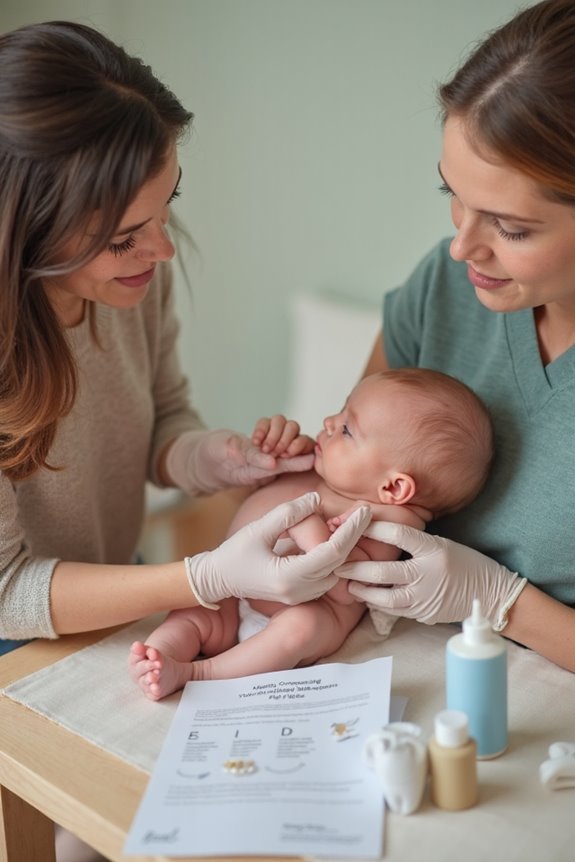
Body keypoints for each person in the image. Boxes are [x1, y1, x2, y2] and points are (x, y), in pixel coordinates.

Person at [0, 20, 372, 656]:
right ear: (25, 233)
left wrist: (217, 459)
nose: (163, 250)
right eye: (123, 238)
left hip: (115, 588)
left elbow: (162, 416)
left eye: (168, 205)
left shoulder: (129, 285)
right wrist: (206, 577)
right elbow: (8, 593)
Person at [338, 0, 575, 674]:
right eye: (452, 196)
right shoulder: (442, 293)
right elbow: (351, 471)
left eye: (510, 227)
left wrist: (502, 602)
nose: (461, 249)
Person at [129, 368, 493, 699]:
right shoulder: (323, 471)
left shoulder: (392, 523)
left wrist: (306, 525)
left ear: (394, 488)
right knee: (196, 605)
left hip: (298, 615)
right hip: (235, 593)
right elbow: (254, 493)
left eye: (348, 430)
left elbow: (343, 578)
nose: (329, 422)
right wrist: (275, 457)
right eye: (341, 410)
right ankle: (160, 657)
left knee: (300, 629)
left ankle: (200, 673)